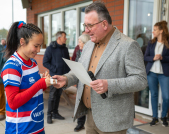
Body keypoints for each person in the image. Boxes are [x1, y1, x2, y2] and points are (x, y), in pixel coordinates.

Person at [52, 1, 147, 134]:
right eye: (85, 25)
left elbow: (140, 80)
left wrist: (109, 85)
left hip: (113, 120)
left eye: (90, 25)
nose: (86, 30)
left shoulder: (128, 45)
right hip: (90, 116)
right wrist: (66, 79)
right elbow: (80, 70)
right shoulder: (89, 44)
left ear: (104, 24)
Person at [1, 21, 54, 134]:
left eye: (40, 46)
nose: (39, 50)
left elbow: (33, 91)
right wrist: (39, 84)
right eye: (36, 46)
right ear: (22, 42)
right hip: (21, 129)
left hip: (37, 127)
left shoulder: (33, 63)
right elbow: (13, 102)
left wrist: (44, 83)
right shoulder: (12, 67)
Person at [144, 21, 169, 127]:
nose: (153, 31)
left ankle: (163, 116)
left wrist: (162, 58)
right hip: (152, 73)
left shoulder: (168, 42)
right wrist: (153, 58)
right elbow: (145, 56)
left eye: (155, 30)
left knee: (166, 97)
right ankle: (155, 117)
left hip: (164, 74)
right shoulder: (151, 42)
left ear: (161, 31)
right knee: (153, 95)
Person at [43, 31, 70, 124]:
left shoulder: (65, 49)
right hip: (54, 76)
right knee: (52, 96)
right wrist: (54, 68)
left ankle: (55, 113)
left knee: (58, 95)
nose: (65, 38)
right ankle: (49, 115)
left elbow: (67, 62)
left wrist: (68, 74)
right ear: (59, 38)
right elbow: (45, 62)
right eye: (64, 37)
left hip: (63, 77)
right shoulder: (50, 48)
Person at [73, 34, 90, 132]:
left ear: (85, 43)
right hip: (80, 80)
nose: (78, 44)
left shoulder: (91, 52)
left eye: (80, 42)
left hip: (89, 82)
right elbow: (75, 62)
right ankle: (80, 124)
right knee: (80, 101)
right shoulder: (78, 51)